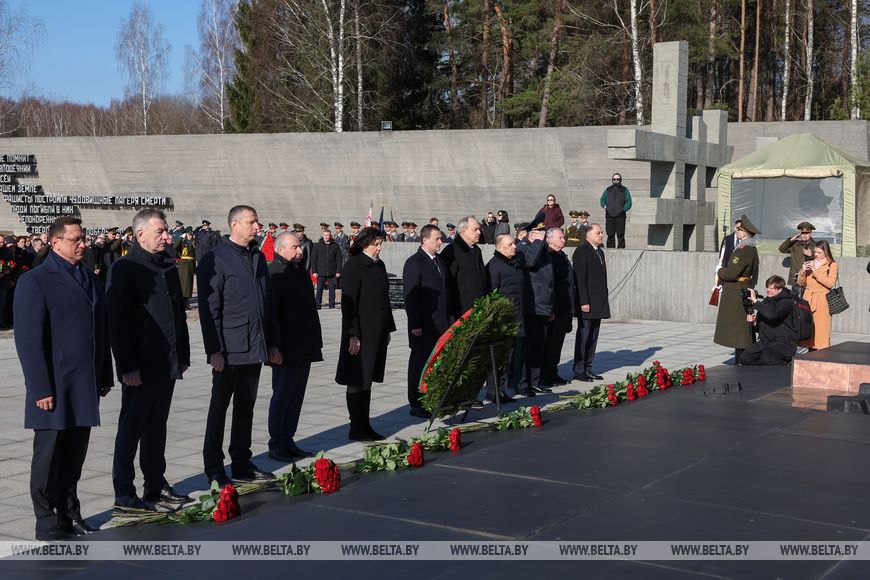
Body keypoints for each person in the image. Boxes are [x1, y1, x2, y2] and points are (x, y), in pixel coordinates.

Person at [14, 216, 113, 540]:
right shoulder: (36, 281)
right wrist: (40, 387)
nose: (83, 243)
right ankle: (46, 521)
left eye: (83, 238)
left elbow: (100, 332)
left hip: (82, 384)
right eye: (76, 239)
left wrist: (103, 374)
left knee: (74, 456)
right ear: (55, 243)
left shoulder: (88, 276)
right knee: (48, 457)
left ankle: (70, 513)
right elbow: (29, 341)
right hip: (53, 387)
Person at [107, 209, 191, 510]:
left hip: (166, 361)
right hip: (140, 366)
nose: (168, 236)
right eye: (161, 231)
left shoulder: (167, 264)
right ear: (140, 234)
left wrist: (183, 354)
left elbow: (177, 315)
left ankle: (155, 484)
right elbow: (117, 322)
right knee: (131, 428)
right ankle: (124, 492)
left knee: (157, 426)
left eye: (167, 230)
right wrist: (127, 366)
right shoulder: (126, 268)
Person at [197, 205, 282, 486]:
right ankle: (214, 466)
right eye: (252, 222)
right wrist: (215, 350)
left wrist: (273, 343)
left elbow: (266, 304)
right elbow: (210, 310)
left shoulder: (256, 256)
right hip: (229, 349)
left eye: (257, 221)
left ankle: (242, 462)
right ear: (235, 225)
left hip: (254, 345)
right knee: (219, 408)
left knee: (246, 407)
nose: (257, 227)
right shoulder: (215, 258)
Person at [335, 227, 396, 441]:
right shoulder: (354, 266)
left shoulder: (379, 265)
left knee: (367, 379)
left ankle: (365, 424)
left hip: (376, 332)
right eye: (375, 244)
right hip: (360, 333)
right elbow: (348, 304)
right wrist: (353, 334)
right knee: (357, 378)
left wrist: (388, 328)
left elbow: (384, 300)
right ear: (364, 244)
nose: (379, 248)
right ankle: (356, 426)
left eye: (380, 244)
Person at [268, 232, 322, 461]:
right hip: (286, 348)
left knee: (296, 396)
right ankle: (277, 443)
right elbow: (271, 314)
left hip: (304, 345)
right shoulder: (274, 273)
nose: (300, 251)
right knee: (282, 396)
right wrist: (274, 346)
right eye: (294, 247)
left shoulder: (299, 271)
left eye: (299, 247)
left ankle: (288, 439)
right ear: (280, 249)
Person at [487, 231, 546, 399]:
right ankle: (493, 391)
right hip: (503, 322)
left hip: (516, 319)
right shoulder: (494, 266)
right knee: (499, 359)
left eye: (514, 243)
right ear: (499, 247)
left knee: (509, 358)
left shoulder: (513, 264)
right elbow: (492, 296)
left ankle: (503, 389)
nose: (515, 246)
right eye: (510, 244)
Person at [402, 225, 449, 418]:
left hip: (440, 323)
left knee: (434, 364)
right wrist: (415, 324)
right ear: (425, 239)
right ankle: (416, 402)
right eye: (437, 238)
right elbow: (411, 296)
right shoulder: (414, 262)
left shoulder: (439, 261)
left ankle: (431, 398)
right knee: (419, 363)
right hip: (422, 324)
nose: (440, 242)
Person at [713, 215, 761, 358]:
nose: (737, 231)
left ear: (745, 232)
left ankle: (742, 359)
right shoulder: (752, 248)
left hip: (735, 291)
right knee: (741, 326)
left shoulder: (743, 249)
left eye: (739, 229)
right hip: (743, 287)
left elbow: (731, 273)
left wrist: (719, 271)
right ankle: (742, 357)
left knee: (737, 329)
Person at [572, 224, 610, 381]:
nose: (601, 235)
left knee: (593, 336)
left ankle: (588, 367)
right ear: (588, 235)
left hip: (598, 302)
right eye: (598, 233)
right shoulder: (582, 251)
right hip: (587, 302)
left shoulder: (599, 252)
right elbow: (580, 279)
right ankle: (579, 369)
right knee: (584, 335)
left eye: (601, 233)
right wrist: (584, 301)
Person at [739, 275, 799, 365]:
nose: (768, 290)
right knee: (744, 358)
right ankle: (765, 371)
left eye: (771, 288)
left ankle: (785, 366)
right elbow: (760, 327)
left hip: (784, 343)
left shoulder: (786, 302)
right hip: (765, 342)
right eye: (767, 287)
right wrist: (754, 322)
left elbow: (773, 315)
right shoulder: (766, 301)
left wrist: (755, 301)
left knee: (767, 358)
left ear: (780, 289)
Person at [542, 228, 574, 387]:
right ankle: (545, 374)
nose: (564, 240)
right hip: (553, 308)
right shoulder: (548, 256)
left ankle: (553, 372)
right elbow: (549, 285)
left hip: (564, 307)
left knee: (557, 344)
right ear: (550, 239)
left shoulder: (562, 256)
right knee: (549, 344)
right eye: (560, 237)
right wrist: (550, 308)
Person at [798, 240, 838, 350]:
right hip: (808, 299)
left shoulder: (832, 264)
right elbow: (801, 283)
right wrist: (802, 270)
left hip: (822, 301)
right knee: (807, 328)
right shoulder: (810, 262)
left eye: (819, 252)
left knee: (821, 329)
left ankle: (822, 354)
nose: (816, 254)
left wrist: (815, 271)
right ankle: (809, 352)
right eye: (815, 252)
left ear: (826, 252)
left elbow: (830, 283)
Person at [779, 222, 816, 295]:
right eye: (803, 233)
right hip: (797, 276)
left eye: (807, 233)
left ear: (811, 233)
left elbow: (823, 258)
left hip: (811, 275)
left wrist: (811, 255)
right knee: (795, 301)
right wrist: (791, 240)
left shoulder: (816, 245)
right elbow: (782, 249)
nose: (805, 235)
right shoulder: (795, 244)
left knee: (808, 300)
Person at [309, 228, 343, 309]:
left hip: (332, 272)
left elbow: (339, 259)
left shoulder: (335, 246)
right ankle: (317, 305)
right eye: (325, 235)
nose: (326, 237)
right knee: (319, 290)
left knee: (332, 290)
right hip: (320, 272)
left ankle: (332, 305)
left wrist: (338, 271)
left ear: (330, 236)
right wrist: (314, 271)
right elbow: (313, 260)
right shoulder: (317, 246)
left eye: (328, 235)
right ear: (323, 236)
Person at [600, 173, 632, 248]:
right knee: (610, 234)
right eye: (614, 179)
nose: (616, 180)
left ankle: (621, 250)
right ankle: (610, 250)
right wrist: (605, 206)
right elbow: (602, 199)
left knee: (620, 235)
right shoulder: (608, 190)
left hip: (620, 216)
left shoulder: (625, 190)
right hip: (609, 216)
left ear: (620, 180)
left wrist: (623, 209)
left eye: (617, 179)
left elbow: (628, 202)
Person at [174, 228, 196, 309]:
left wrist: (194, 268)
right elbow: (175, 246)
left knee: (189, 285)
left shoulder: (192, 243)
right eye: (189, 235)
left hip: (190, 265)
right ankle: (184, 304)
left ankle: (187, 304)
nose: (191, 236)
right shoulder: (183, 242)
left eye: (191, 235)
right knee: (184, 285)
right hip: (184, 266)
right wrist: (181, 237)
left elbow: (194, 256)